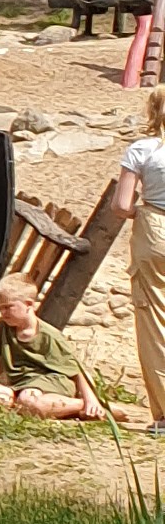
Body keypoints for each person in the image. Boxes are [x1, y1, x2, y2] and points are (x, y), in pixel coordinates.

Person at [0, 275, 108, 420]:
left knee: (28, 400)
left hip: (51, 380)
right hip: (20, 382)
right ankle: (53, 409)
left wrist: (91, 399)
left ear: (28, 304)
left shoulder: (49, 335)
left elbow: (76, 370)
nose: (3, 313)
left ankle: (85, 407)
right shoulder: (3, 326)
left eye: (8, 307)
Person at [119, 94, 165, 426]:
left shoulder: (143, 149)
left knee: (154, 325)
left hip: (154, 228)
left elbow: (121, 206)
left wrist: (145, 214)